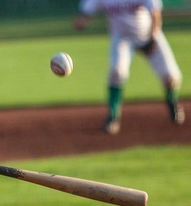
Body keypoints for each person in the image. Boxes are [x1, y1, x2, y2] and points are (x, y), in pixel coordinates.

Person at [74, 0, 184, 134]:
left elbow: (155, 14)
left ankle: (173, 104)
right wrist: (82, 21)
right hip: (122, 38)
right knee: (117, 72)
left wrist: (153, 37)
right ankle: (113, 117)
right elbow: (86, 11)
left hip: (149, 34)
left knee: (170, 76)